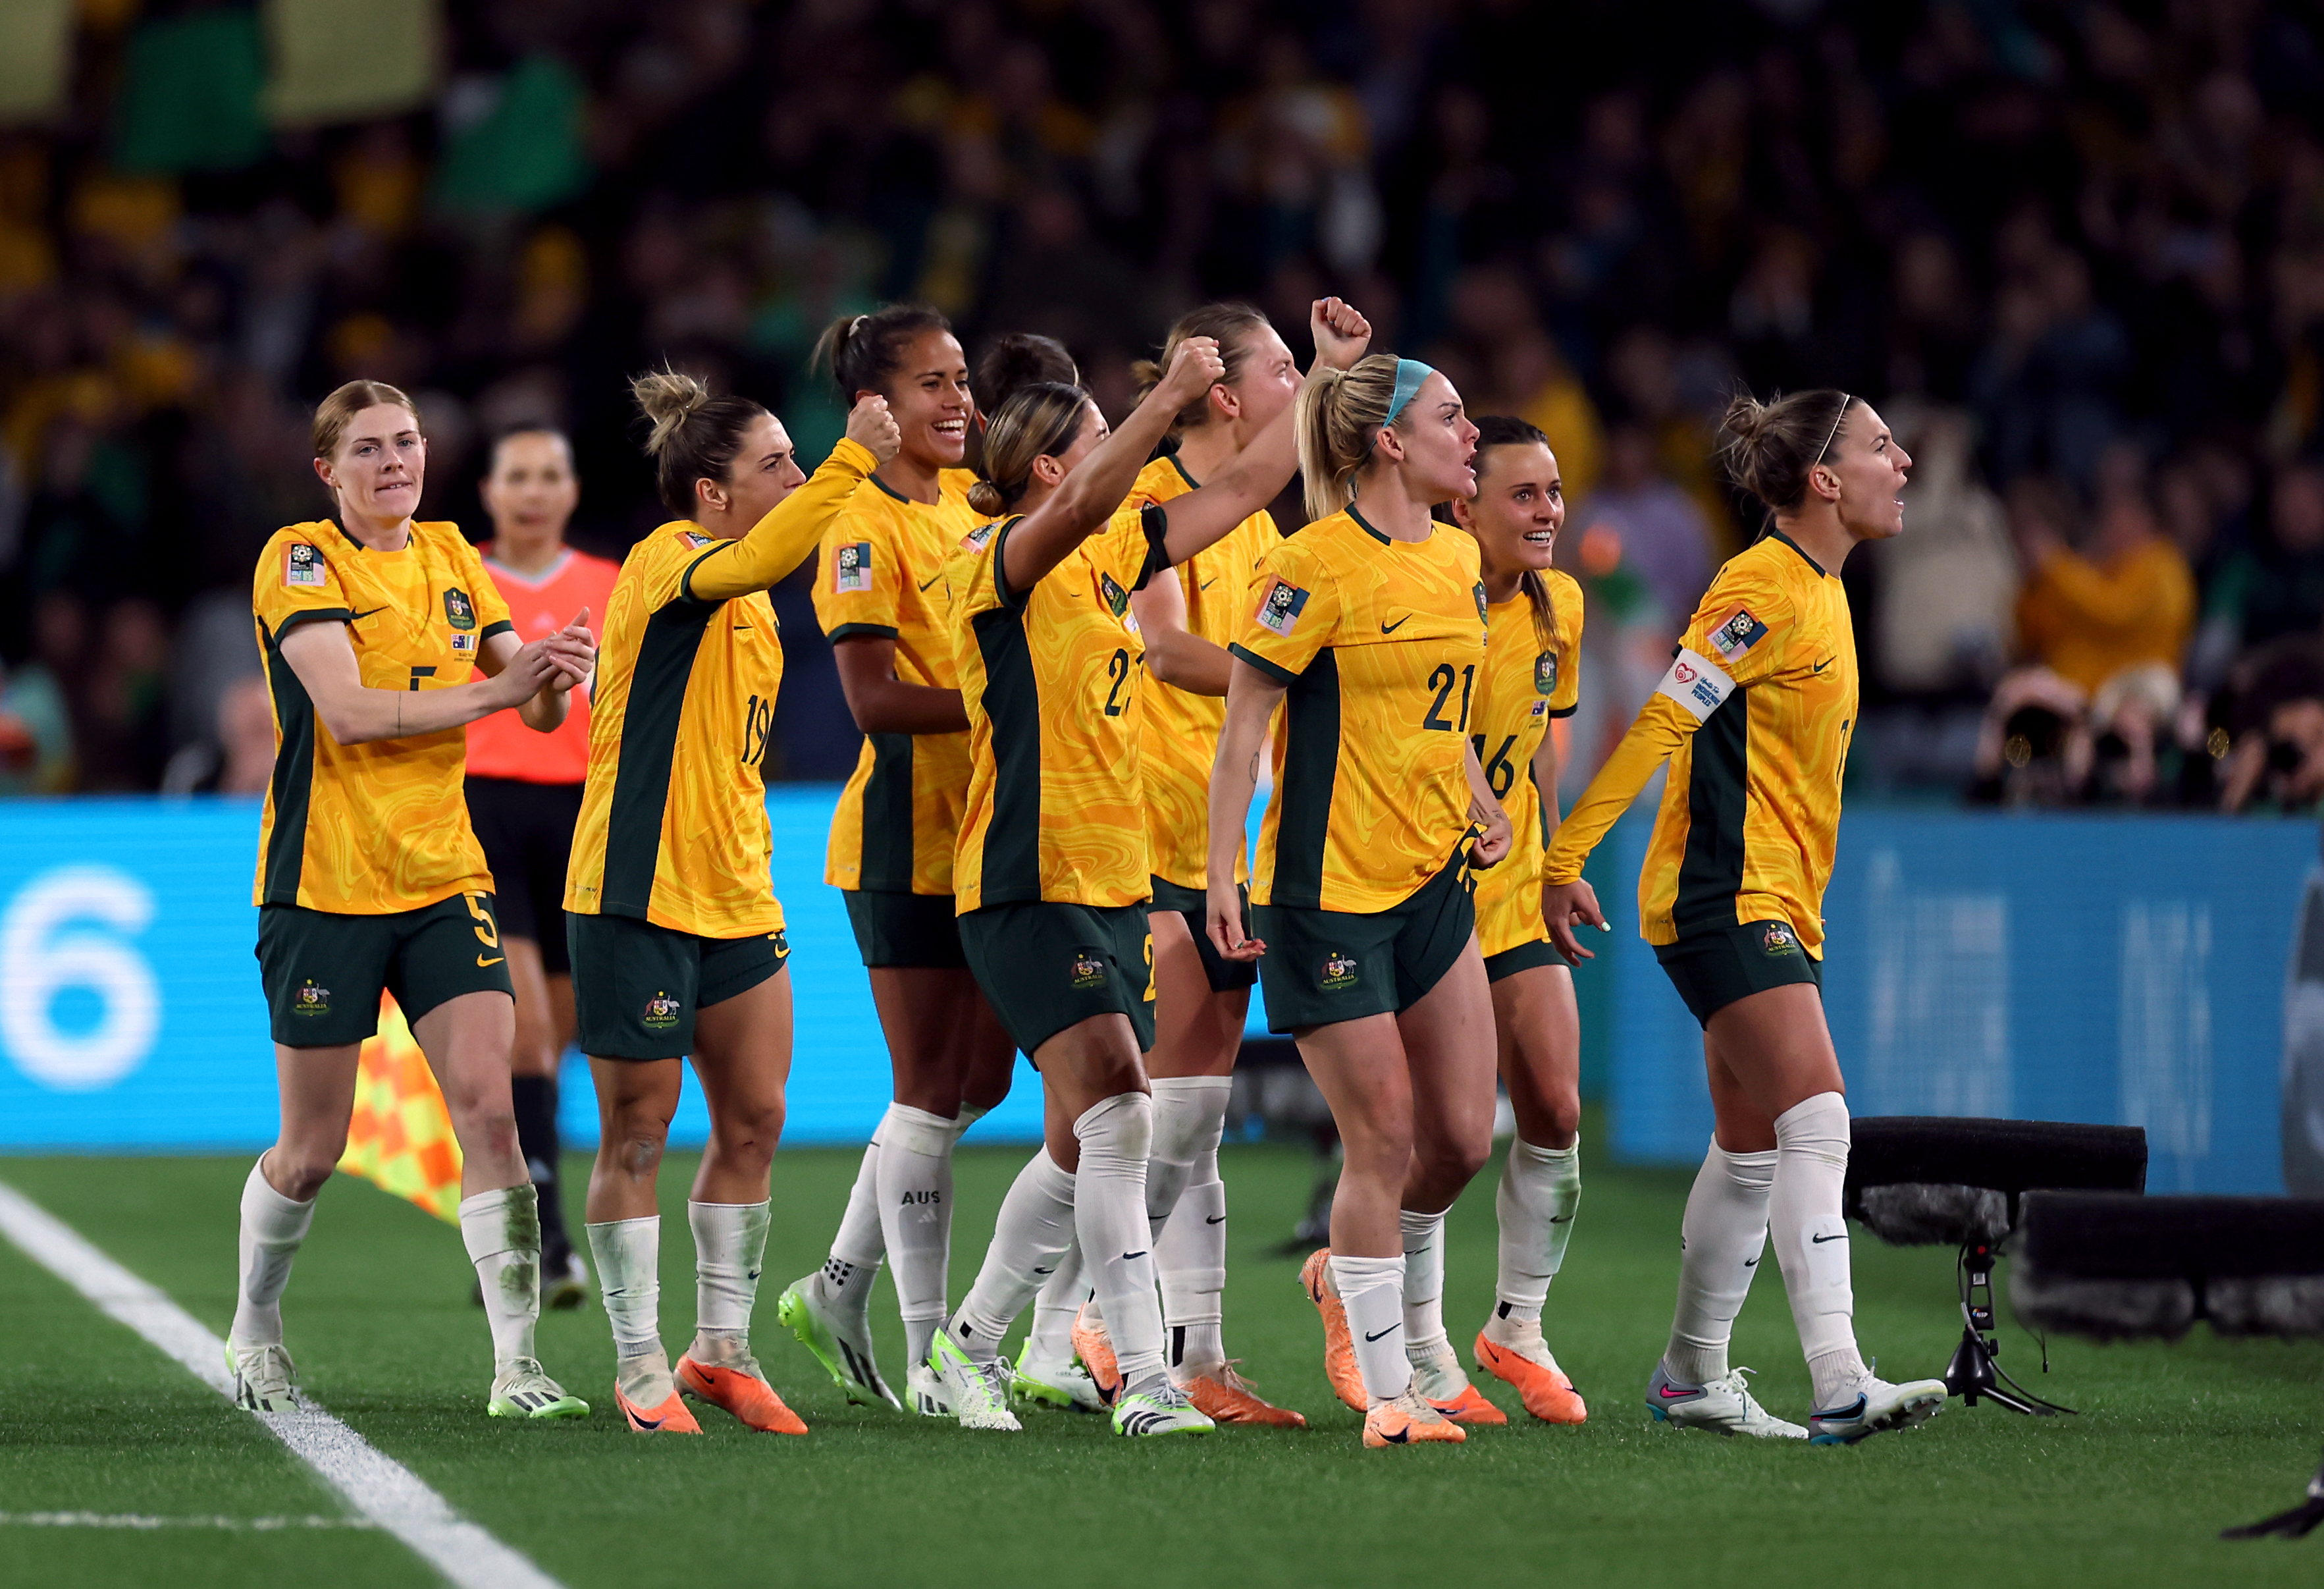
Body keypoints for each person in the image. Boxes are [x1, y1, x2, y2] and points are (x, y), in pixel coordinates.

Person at [927, 302, 1369, 1439]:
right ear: (1050, 467)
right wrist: (1167, 398)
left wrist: (1322, 376)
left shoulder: (1112, 555)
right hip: (1027, 875)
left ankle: (975, 1344)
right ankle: (1142, 1375)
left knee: (1104, 1125)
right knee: (1122, 1114)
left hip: (1109, 878)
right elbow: (1087, 503)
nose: (1118, 464)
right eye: (1096, 442)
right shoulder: (1000, 564)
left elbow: (1246, 485)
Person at [1539, 389, 1950, 1445]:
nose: (1902, 461)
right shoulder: (1759, 586)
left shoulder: (1823, 590)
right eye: (1880, 446)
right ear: (1824, 480)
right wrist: (1564, 855)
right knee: (1818, 1117)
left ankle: (1690, 1372)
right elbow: (1659, 723)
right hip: (1723, 894)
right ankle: (1838, 1378)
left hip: (1772, 899)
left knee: (1752, 1143)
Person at [232, 380, 595, 1421]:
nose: (395, 461)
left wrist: (552, 672)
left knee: (491, 1107)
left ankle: (517, 1365)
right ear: (328, 471)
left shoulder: (450, 556)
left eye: (407, 442)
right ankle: (255, 1326)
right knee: (313, 1149)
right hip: (324, 883)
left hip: (444, 875)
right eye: (369, 449)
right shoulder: (300, 559)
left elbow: (534, 712)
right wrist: (499, 690)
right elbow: (346, 713)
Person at [569, 369, 899, 1435]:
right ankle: (637, 1364)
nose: (797, 477)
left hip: (738, 891)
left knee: (755, 1117)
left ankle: (717, 1351)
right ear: (711, 493)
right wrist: (853, 455)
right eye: (776, 463)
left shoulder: (753, 600)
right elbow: (763, 553)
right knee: (639, 1129)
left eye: (799, 460)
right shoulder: (666, 561)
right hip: (637, 890)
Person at [1205, 354, 1515, 1449]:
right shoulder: (1310, 564)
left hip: (1434, 883)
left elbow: (1443, 714)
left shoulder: (1461, 557)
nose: (1469, 434)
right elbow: (1243, 730)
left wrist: (1479, 795)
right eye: (1450, 417)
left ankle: (1348, 1273)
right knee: (1379, 1137)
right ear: (1389, 441)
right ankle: (1390, 1392)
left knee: (1461, 1138)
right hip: (1326, 896)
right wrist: (1222, 873)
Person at [1053, 303, 1324, 1428]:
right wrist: (1300, 678)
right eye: (1285, 368)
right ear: (1225, 392)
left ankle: (1194, 1351)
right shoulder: (1150, 499)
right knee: (1142, 1116)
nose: (1299, 384)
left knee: (1195, 1113)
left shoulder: (1263, 525)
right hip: (1141, 827)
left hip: (1219, 840)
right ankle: (1059, 1322)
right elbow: (1163, 649)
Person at [775, 306, 1018, 1418]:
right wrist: (1006, 701)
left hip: (992, 830)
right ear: (874, 404)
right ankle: (930, 1356)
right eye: (933, 382)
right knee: (927, 1089)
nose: (959, 399)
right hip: (904, 838)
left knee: (983, 1083)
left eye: (962, 377)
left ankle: (837, 1283)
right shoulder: (858, 525)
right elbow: (872, 699)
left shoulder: (977, 501)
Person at [1440, 416, 1589, 1424]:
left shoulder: (1558, 602)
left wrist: (1555, 862)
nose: (1546, 512)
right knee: (1441, 1140)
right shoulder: (1431, 591)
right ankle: (1382, 1311)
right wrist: (1473, 802)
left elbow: (1540, 739)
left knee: (1555, 1108)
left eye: (1553, 492)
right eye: (1523, 494)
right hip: (1424, 884)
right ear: (1465, 504)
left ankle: (1515, 1325)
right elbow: (1412, 725)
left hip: (1513, 881)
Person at [465, 426, 620, 1308]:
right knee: (523, 1034)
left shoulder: (609, 583)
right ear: (490, 491)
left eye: (548, 475)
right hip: (484, 810)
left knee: (553, 1043)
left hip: (583, 817)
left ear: (571, 489)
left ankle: (509, 1214)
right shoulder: (460, 581)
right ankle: (546, 1241)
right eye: (516, 475)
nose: (532, 491)